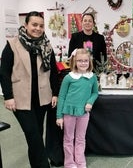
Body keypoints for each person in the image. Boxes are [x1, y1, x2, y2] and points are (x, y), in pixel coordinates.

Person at [0, 11, 59, 167]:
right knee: (33, 134)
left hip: (42, 98)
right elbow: (4, 72)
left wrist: (55, 93)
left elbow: (54, 71)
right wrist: (8, 96)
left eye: (41, 25)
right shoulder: (13, 44)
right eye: (34, 25)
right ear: (25, 25)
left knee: (37, 135)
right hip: (20, 99)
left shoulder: (46, 46)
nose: (38, 28)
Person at [56, 48, 99, 168]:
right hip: (68, 112)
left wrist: (90, 102)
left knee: (80, 138)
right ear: (75, 61)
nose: (83, 63)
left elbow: (95, 92)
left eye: (85, 60)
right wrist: (59, 116)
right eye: (80, 60)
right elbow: (62, 96)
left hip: (84, 113)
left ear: (89, 62)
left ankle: (80, 162)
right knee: (68, 138)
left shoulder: (92, 77)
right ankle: (69, 163)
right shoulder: (69, 77)